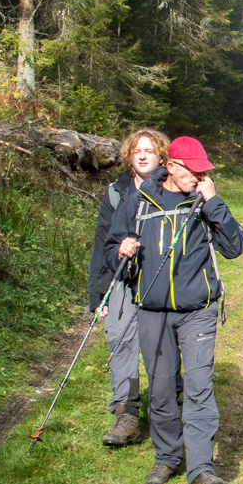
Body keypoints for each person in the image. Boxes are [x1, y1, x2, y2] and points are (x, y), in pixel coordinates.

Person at [104, 136, 243, 484]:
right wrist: (122, 248)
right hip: (152, 309)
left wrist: (213, 202)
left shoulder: (203, 203)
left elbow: (235, 246)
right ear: (171, 166)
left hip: (198, 309)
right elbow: (111, 248)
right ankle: (167, 456)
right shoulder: (139, 201)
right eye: (194, 170)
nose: (199, 177)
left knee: (199, 388)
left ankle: (201, 470)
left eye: (204, 171)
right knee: (163, 388)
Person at [87, 128, 171, 447]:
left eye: (150, 150)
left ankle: (168, 408)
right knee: (120, 342)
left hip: (160, 280)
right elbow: (101, 243)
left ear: (161, 155)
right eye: (137, 150)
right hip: (122, 279)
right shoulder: (116, 191)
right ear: (129, 156)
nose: (143, 155)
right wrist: (98, 293)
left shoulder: (171, 187)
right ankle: (127, 416)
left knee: (161, 346)